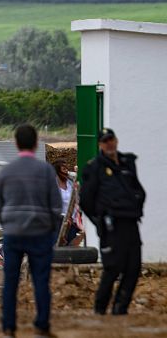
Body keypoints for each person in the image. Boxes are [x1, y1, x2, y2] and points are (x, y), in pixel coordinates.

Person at [0, 124, 61, 338]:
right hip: (40, 234)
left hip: (13, 233)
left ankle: (9, 327)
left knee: (10, 282)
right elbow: (56, 206)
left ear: (16, 143)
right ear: (36, 143)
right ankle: (42, 326)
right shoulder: (46, 171)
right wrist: (51, 230)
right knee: (41, 280)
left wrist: (8, 225)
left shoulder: (6, 172)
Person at [79, 128, 146, 316]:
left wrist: (137, 205)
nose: (109, 143)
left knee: (133, 268)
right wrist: (98, 220)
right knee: (112, 267)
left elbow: (138, 190)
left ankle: (120, 308)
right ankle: (100, 309)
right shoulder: (95, 167)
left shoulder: (127, 163)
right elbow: (86, 201)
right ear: (100, 144)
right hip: (111, 226)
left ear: (116, 140)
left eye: (111, 139)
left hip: (130, 222)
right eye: (105, 141)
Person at [53, 158, 82, 245]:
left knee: (72, 245)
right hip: (59, 223)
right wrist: (63, 218)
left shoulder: (71, 184)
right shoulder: (53, 187)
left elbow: (77, 200)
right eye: (64, 169)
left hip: (72, 222)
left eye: (67, 168)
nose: (66, 171)